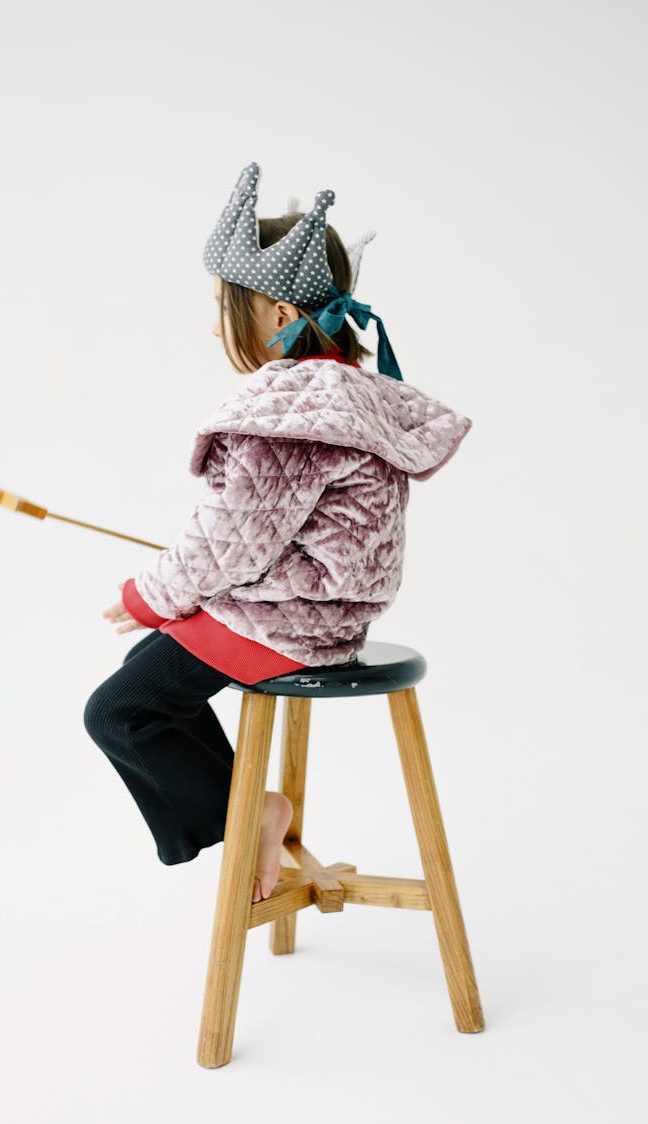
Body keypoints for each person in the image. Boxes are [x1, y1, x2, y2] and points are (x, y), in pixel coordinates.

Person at [83, 161, 473, 906]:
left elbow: (234, 540)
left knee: (119, 711)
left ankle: (246, 812)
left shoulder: (288, 402)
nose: (213, 324)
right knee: (154, 671)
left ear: (266, 308)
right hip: (331, 616)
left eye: (223, 306)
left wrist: (150, 593)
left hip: (285, 621)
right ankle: (242, 804)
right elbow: (258, 528)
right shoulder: (345, 390)